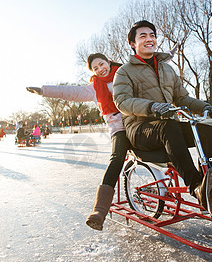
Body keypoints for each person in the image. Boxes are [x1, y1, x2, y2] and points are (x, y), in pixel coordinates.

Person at [26, 51, 174, 231]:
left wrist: (164, 57)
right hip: (119, 128)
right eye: (95, 68)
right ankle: (99, 210)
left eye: (101, 64)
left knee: (162, 145)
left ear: (108, 62)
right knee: (117, 158)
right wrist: (44, 91)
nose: (100, 69)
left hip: (139, 121)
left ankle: (165, 187)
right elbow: (70, 92)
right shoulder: (95, 87)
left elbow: (148, 72)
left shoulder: (125, 72)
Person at [113, 20, 212, 216]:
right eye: (143, 36)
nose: (149, 39)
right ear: (133, 43)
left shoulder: (167, 69)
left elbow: (181, 97)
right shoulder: (125, 71)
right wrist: (153, 107)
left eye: (152, 35)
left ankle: (210, 187)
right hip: (139, 129)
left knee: (207, 132)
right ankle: (196, 187)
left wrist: (206, 107)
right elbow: (122, 101)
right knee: (169, 128)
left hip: (166, 125)